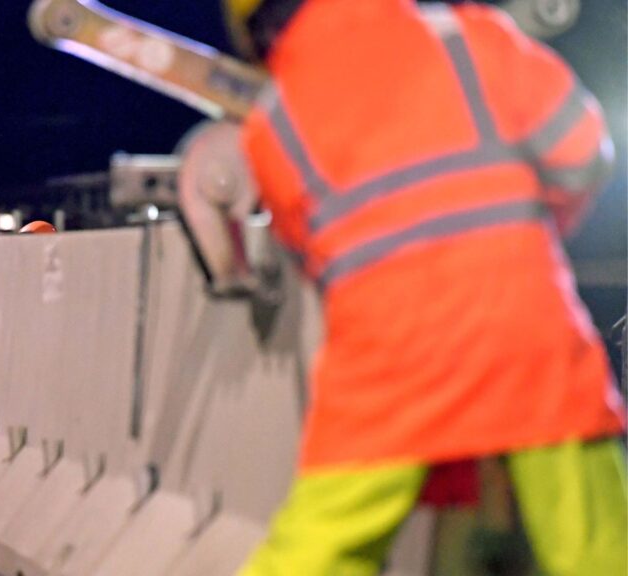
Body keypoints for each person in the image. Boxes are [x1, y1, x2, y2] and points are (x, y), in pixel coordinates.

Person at [220, 1, 627, 574]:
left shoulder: (271, 123)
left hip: (386, 358)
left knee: (319, 543)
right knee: (597, 546)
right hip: (524, 326)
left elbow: (314, 257)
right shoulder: (469, 38)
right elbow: (585, 153)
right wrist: (529, 234)